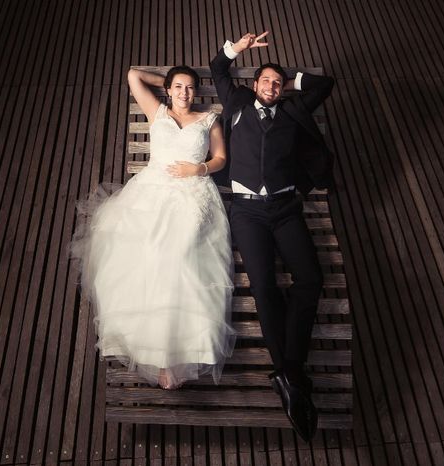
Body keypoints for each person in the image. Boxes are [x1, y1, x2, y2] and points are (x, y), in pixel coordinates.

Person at [71, 66, 236, 389]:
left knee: (179, 254)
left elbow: (220, 158)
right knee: (144, 252)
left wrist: (198, 169)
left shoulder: (208, 120)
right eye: (178, 87)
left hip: (193, 192)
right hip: (152, 191)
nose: (184, 93)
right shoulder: (157, 111)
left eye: (190, 88)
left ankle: (180, 352)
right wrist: (166, 83)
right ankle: (157, 356)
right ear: (170, 89)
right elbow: (133, 75)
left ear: (197, 92)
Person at [210, 32, 335, 441]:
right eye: (265, 80)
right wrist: (238, 50)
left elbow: (325, 83)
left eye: (277, 83)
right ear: (254, 84)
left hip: (284, 208)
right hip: (246, 211)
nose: (271, 86)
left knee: (311, 279)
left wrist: (292, 80)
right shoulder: (237, 102)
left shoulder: (293, 109)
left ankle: (288, 372)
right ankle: (291, 374)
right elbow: (217, 68)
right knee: (264, 286)